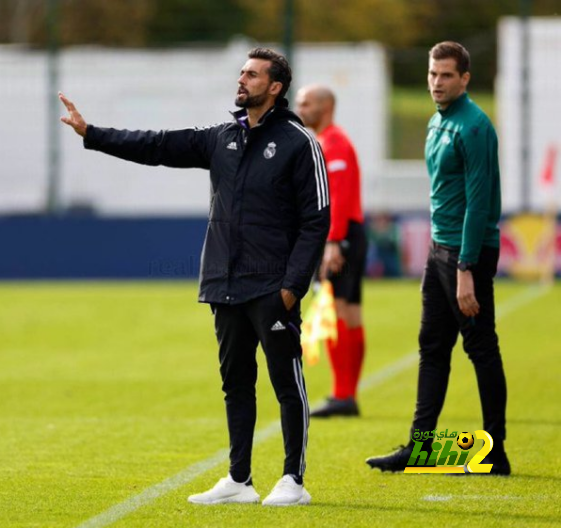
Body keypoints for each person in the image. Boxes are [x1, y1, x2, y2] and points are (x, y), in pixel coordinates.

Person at [59, 48, 330, 504]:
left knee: (286, 382)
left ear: (275, 87)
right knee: (236, 383)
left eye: (252, 74)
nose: (241, 80)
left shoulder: (300, 143)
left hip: (271, 287)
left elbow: (316, 219)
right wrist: (93, 133)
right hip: (225, 284)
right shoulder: (222, 137)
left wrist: (292, 287)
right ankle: (239, 480)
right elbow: (158, 145)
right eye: (241, 72)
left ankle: (293, 480)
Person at [366, 41, 510, 475]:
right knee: (432, 347)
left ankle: (495, 452)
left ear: (465, 78)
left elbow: (479, 203)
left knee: (481, 347)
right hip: (438, 249)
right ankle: (418, 446)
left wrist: (465, 267)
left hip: (468, 254)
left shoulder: (475, 126)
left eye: (446, 75)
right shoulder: (436, 122)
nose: (436, 83)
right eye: (432, 74)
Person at [295, 85, 367, 417]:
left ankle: (342, 394)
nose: (300, 108)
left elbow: (336, 196)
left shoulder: (334, 143)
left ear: (325, 107)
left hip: (339, 236)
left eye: (306, 103)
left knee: (337, 313)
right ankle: (347, 395)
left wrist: (332, 242)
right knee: (347, 312)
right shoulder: (328, 141)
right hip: (346, 234)